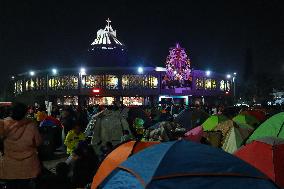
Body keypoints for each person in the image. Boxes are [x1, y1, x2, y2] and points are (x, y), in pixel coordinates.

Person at [0, 102, 42, 189]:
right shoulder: (31, 125)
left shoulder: (3, 124)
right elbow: (38, 142)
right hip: (28, 166)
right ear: (25, 112)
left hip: (10, 165)